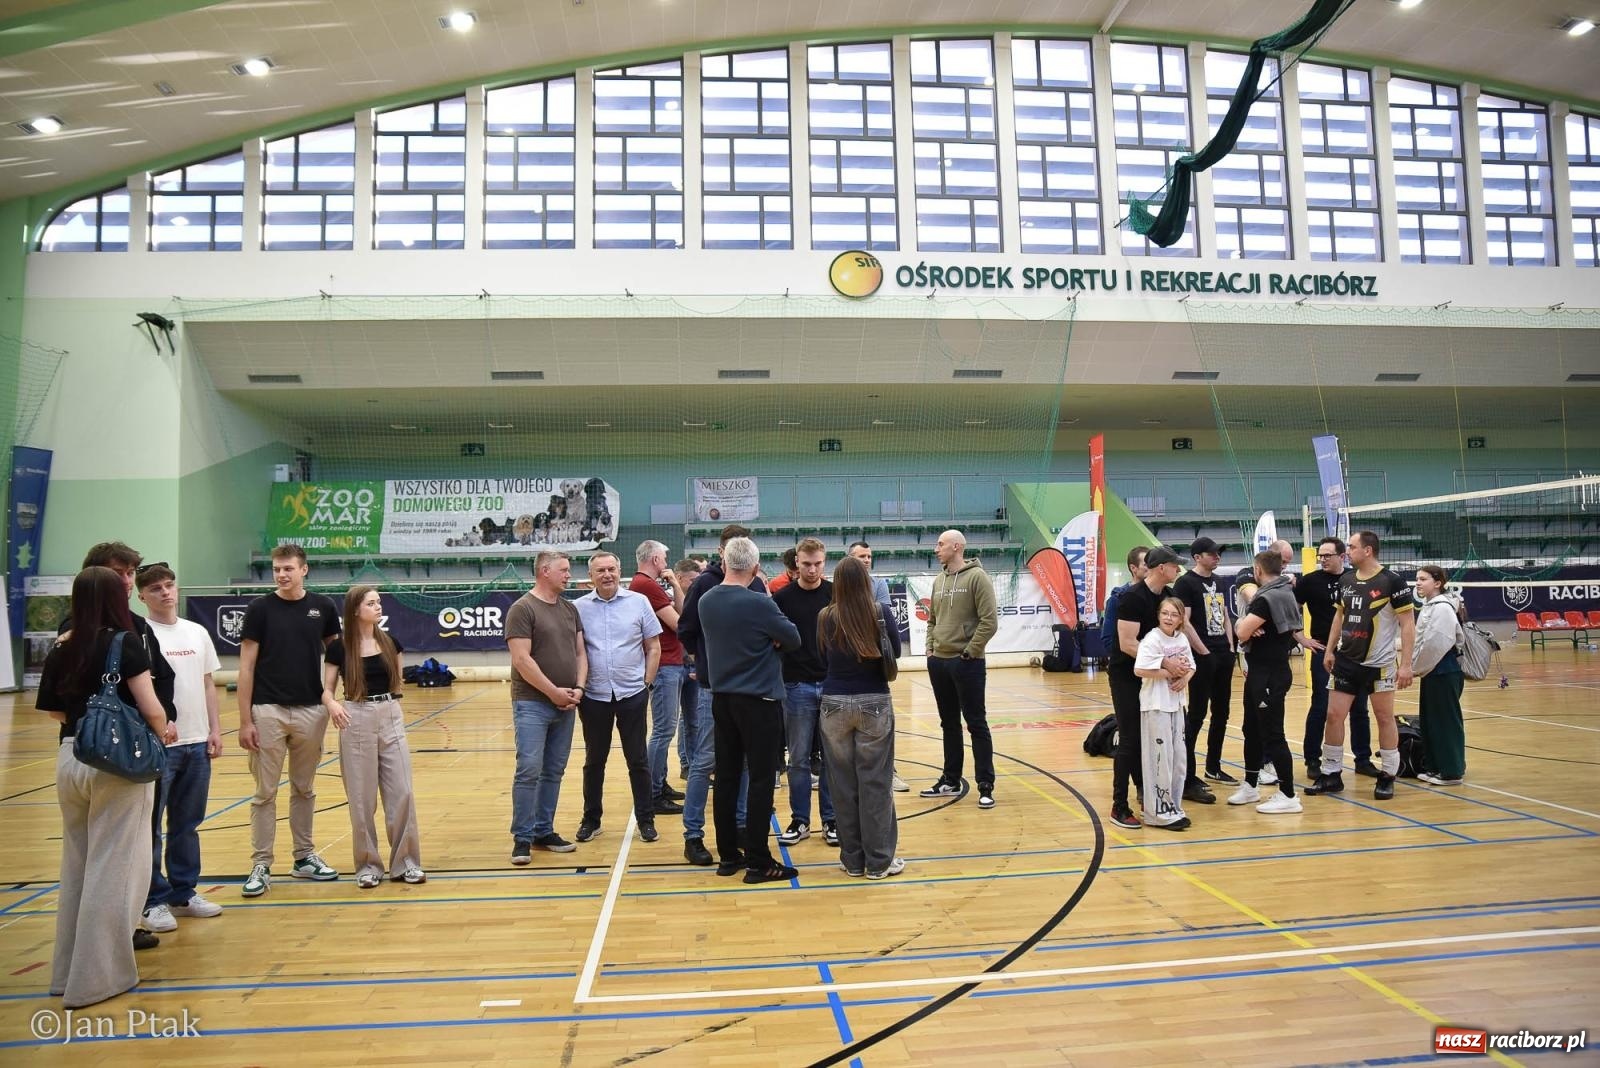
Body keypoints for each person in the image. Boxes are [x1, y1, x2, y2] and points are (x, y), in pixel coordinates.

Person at [36, 567, 177, 1008]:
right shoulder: (124, 642)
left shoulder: (63, 644)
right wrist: (164, 729)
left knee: (76, 867)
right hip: (116, 763)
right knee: (114, 871)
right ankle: (97, 979)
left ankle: (65, 974)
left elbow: (55, 713)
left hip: (70, 757)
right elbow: (152, 707)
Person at [73, 542, 177, 949]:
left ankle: (126, 919)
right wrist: (148, 721)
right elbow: (149, 701)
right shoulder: (88, 636)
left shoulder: (133, 629)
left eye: (131, 573)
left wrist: (165, 719)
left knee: (126, 843)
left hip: (94, 749)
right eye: (120, 574)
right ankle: (108, 939)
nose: (127, 581)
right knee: (111, 851)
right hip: (111, 753)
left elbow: (162, 681)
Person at [237, 544, 343, 897]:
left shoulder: (323, 607)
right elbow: (246, 667)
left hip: (311, 711)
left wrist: (331, 698)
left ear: (304, 570)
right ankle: (261, 863)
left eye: (288, 569)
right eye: (277, 569)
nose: (281, 575)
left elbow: (337, 656)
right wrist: (245, 720)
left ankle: (303, 858)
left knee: (304, 788)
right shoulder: (259, 609)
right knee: (264, 792)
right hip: (267, 710)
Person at [695, 536, 801, 883]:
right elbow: (794, 638)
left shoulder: (707, 600)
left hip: (723, 700)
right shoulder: (759, 603)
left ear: (724, 563)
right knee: (759, 781)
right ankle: (759, 861)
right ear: (755, 569)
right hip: (759, 702)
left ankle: (728, 856)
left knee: (725, 778)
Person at [134, 564, 224, 935]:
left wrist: (214, 730)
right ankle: (152, 899)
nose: (166, 593)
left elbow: (207, 686)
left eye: (170, 585)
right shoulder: (138, 635)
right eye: (156, 589)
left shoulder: (197, 631)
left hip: (197, 743)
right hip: (160, 746)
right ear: (141, 596)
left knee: (188, 824)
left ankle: (183, 893)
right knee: (150, 827)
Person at [323, 586, 423, 889]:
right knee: (362, 798)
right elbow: (326, 689)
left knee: (402, 791)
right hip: (356, 715)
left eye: (379, 602)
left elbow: (398, 681)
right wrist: (332, 704)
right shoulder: (340, 648)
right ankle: (368, 865)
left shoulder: (391, 642)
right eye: (371, 603)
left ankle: (406, 862)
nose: (378, 607)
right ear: (356, 610)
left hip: (390, 714)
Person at [676, 526, 764, 867]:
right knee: (706, 761)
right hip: (714, 688)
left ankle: (740, 825)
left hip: (749, 689)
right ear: (721, 550)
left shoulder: (756, 584)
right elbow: (686, 629)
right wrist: (704, 661)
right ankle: (693, 834)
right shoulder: (705, 584)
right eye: (733, 548)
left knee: (742, 761)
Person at [1308, 531, 1416, 801]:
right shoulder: (1346, 580)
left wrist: (1405, 665)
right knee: (1333, 715)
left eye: (1353, 547)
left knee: (1383, 717)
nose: (1349, 551)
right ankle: (1331, 773)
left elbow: (1408, 625)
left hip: (1379, 665)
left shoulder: (1392, 581)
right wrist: (1330, 649)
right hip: (1346, 661)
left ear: (1367, 551)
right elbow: (1339, 616)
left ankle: (1388, 774)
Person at [818, 556, 904, 878]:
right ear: (866, 582)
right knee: (876, 783)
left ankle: (852, 860)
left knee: (842, 784)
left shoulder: (825, 616)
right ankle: (879, 862)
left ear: (837, 583)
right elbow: (894, 650)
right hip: (875, 702)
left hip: (834, 703)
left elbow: (821, 656)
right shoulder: (880, 613)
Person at [1107, 546, 1204, 829]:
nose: (1179, 570)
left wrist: (1190, 663)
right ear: (1162, 567)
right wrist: (1165, 664)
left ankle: (1153, 798)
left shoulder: (1165, 599)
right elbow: (1127, 644)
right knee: (1129, 739)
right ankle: (1119, 804)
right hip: (1127, 675)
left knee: (1162, 740)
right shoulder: (1131, 598)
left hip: (1156, 677)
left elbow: (1177, 635)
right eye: (1176, 566)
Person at [575, 551, 663, 844]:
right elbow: (575, 652)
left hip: (632, 694)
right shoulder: (578, 608)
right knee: (594, 761)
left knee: (638, 760)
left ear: (619, 570)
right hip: (594, 697)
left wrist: (647, 684)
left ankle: (646, 820)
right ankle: (591, 819)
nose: (607, 575)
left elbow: (653, 646)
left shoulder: (639, 603)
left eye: (611, 568)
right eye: (600, 570)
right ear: (591, 577)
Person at [505, 550, 587, 861]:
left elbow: (580, 653)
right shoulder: (522, 609)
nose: (569, 575)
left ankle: (543, 830)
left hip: (566, 704)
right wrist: (553, 692)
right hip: (532, 704)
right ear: (544, 571)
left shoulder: (569, 609)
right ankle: (522, 837)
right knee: (529, 769)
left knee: (554, 770)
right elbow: (522, 660)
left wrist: (578, 688)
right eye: (564, 570)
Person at [1233, 551, 1325, 814]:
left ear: (1258, 570)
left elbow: (1241, 631)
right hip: (1261, 671)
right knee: (1250, 727)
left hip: (1269, 674)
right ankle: (1251, 785)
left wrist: (1244, 623)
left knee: (1273, 734)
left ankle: (1288, 795)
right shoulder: (1285, 592)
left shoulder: (1268, 597)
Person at [921, 530, 999, 807]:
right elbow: (932, 620)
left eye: (940, 544)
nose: (936, 549)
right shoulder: (939, 580)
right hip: (938, 662)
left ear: (956, 547)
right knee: (949, 724)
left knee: (976, 723)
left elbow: (989, 621)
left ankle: (985, 784)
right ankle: (950, 779)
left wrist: (969, 652)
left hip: (967, 663)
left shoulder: (978, 577)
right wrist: (930, 648)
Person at [1295, 537, 1376, 781]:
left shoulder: (1355, 579)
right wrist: (1302, 639)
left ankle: (1363, 759)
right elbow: (1288, 610)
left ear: (1342, 556)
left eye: (1328, 555)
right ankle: (1312, 759)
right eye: (1320, 556)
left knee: (1359, 707)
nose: (1323, 560)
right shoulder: (1309, 582)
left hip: (1355, 651)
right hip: (1323, 650)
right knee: (1321, 705)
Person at [773, 538, 836, 847]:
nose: (812, 569)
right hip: (795, 685)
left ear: (825, 563)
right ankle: (800, 820)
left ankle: (831, 819)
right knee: (798, 759)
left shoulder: (836, 594)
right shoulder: (781, 598)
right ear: (796, 562)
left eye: (818, 564)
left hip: (832, 684)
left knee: (831, 757)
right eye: (807, 563)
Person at [1174, 537, 1235, 795]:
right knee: (1197, 714)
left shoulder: (1219, 581)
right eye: (1211, 553)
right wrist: (1204, 651)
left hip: (1224, 652)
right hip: (1202, 655)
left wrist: (1231, 647)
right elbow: (1184, 622)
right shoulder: (1185, 583)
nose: (1217, 557)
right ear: (1198, 556)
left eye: (1218, 553)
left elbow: (1225, 615)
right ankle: (1188, 773)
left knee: (1222, 712)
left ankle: (1214, 765)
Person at [629, 541, 687, 814]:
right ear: (654, 558)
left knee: (665, 730)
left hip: (668, 662)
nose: (666, 562)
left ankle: (659, 784)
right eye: (664, 557)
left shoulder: (648, 584)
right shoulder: (646, 585)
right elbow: (680, 622)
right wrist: (674, 585)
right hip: (664, 663)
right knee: (663, 730)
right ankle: (652, 792)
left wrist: (675, 584)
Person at [847, 540, 908, 794]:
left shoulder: (879, 584)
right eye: (861, 556)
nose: (867, 560)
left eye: (869, 556)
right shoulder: (839, 584)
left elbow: (883, 619)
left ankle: (889, 772)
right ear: (849, 559)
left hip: (874, 667)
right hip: (847, 669)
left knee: (883, 730)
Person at [1132, 597, 1194, 831]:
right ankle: (1157, 812)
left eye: (1174, 614)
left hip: (1177, 704)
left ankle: (1173, 807)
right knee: (1160, 761)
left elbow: (1192, 666)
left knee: (1178, 760)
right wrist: (1168, 672)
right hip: (1156, 705)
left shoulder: (1182, 638)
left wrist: (1184, 677)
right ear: (1159, 615)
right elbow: (1139, 669)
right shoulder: (1152, 639)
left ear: (1180, 619)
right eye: (1165, 613)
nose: (1169, 618)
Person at [1412, 565, 1467, 786]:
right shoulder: (1430, 606)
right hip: (1432, 671)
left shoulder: (1443, 607)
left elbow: (1437, 643)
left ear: (1438, 583)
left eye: (1423, 579)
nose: (1418, 583)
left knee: (1446, 721)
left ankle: (1452, 771)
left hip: (1444, 670)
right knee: (1430, 721)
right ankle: (1436, 767)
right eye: (1417, 579)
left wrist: (1415, 668)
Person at [672, 557, 705, 783]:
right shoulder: (669, 598)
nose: (695, 584)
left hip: (693, 664)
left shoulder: (699, 599)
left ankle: (691, 764)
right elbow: (682, 621)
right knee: (679, 721)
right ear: (680, 578)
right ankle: (686, 762)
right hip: (675, 665)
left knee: (693, 718)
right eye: (692, 580)